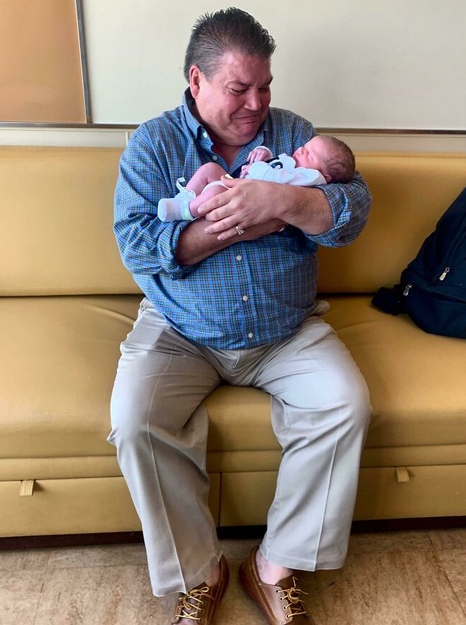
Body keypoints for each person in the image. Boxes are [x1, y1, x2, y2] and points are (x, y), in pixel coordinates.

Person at [110, 7, 372, 625]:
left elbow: (352, 209)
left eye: (265, 87)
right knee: (135, 421)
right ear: (196, 80)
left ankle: (274, 566)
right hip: (181, 330)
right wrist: (232, 225)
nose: (256, 103)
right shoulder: (153, 143)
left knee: (346, 404)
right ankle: (201, 574)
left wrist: (280, 199)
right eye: (239, 88)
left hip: (286, 330)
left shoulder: (294, 133)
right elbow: (137, 243)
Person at [158, 135, 355, 222]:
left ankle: (185, 211)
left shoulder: (311, 177)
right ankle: (183, 198)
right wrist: (264, 153)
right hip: (238, 184)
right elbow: (276, 164)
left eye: (310, 154)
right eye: (305, 146)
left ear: (324, 176)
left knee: (215, 192)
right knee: (210, 169)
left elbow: (275, 178)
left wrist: (257, 167)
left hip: (241, 199)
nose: (301, 150)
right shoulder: (296, 165)